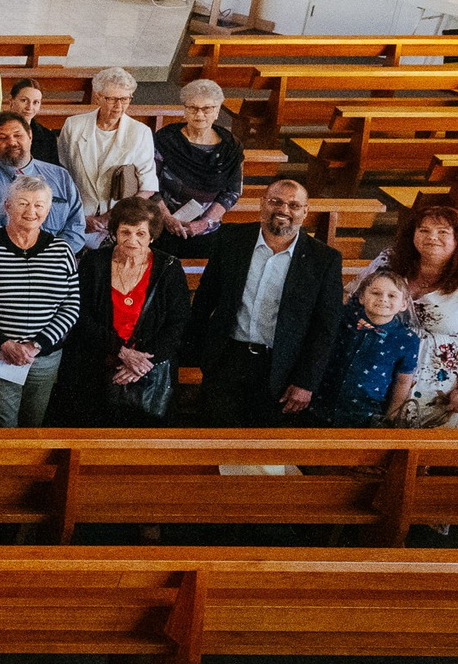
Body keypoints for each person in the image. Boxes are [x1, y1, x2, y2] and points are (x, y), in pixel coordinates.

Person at [185, 175, 345, 431]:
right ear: (262, 203)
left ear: (305, 211)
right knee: (216, 440)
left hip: (281, 366)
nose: (283, 210)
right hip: (227, 358)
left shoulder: (323, 260)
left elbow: (325, 327)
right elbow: (205, 299)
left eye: (293, 205)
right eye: (276, 201)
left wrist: (306, 382)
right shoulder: (231, 239)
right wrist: (201, 355)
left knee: (264, 450)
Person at [366, 204, 458, 427]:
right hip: (379, 376)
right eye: (423, 230)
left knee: (432, 455)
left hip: (442, 392)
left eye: (443, 232)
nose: (432, 237)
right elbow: (355, 298)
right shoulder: (388, 263)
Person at [54, 195, 190, 427]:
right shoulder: (94, 262)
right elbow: (80, 314)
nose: (132, 240)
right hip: (94, 366)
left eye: (140, 234)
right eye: (126, 232)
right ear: (115, 231)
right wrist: (121, 352)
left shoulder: (169, 268)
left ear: (152, 236)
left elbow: (177, 323)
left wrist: (142, 363)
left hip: (148, 372)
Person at [0, 173, 81, 427]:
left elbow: (71, 306)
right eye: (23, 203)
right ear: (7, 206)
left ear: (48, 210)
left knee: (33, 426)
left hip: (43, 357)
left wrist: (37, 345)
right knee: (3, 426)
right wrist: (3, 343)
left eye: (39, 205)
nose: (31, 211)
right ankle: (6, 469)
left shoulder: (62, 251)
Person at [0, 113, 88, 253]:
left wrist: (50, 257)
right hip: (4, 263)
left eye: (18, 135)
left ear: (30, 136)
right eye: (3, 138)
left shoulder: (60, 176)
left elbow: (75, 227)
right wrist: (25, 258)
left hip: (55, 262)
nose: (12, 142)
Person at [315, 269, 424, 428]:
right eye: (375, 293)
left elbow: (403, 381)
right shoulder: (343, 323)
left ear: (404, 304)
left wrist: (391, 417)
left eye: (392, 295)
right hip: (322, 405)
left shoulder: (407, 339)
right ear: (361, 297)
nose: (383, 299)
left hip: (366, 415)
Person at [155, 79, 246, 255]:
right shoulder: (166, 138)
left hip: (206, 230)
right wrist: (167, 218)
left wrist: (205, 222)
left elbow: (232, 192)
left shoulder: (231, 146)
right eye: (193, 108)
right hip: (162, 225)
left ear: (217, 112)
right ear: (185, 111)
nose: (200, 114)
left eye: (207, 109)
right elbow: (149, 184)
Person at [58, 68, 158, 210]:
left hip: (118, 216)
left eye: (124, 99)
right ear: (98, 96)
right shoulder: (74, 126)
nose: (119, 106)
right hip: (78, 212)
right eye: (112, 99)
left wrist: (113, 215)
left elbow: (147, 186)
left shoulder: (140, 132)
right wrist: (79, 215)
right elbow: (62, 172)